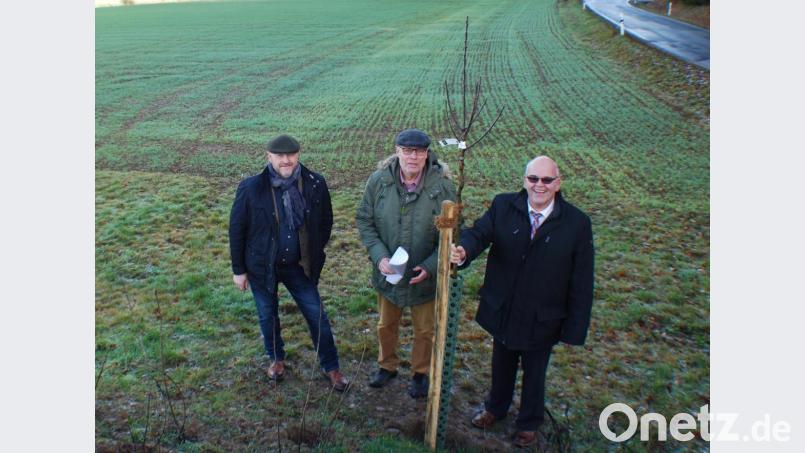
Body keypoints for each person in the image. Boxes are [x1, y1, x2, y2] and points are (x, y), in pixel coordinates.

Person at [449, 156, 594, 448]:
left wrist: (574, 329)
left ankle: (529, 423)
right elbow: (479, 233)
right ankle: (495, 408)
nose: (539, 185)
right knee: (501, 361)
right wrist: (463, 251)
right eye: (533, 179)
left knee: (535, 370)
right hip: (504, 307)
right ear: (524, 180)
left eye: (547, 180)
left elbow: (582, 281)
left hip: (544, 316)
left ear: (558, 183)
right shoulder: (504, 206)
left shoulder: (577, 223)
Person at [229, 134, 348, 392]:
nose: (286, 160)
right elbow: (236, 229)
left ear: (298, 155)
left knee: (317, 316)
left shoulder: (315, 183)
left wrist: (313, 250)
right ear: (269, 156)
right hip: (262, 266)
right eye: (280, 156)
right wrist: (239, 270)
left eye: (291, 155)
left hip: (299, 266)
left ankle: (331, 366)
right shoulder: (251, 188)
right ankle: (276, 359)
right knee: (267, 316)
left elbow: (325, 221)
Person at [356, 128, 456, 398]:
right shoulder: (379, 182)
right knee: (386, 325)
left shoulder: (443, 188)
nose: (413, 157)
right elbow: (364, 220)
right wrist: (379, 257)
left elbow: (453, 232)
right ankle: (386, 366)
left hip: (423, 275)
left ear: (427, 154)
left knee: (425, 329)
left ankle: (420, 373)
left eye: (419, 151)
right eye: (408, 151)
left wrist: (432, 265)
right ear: (397, 151)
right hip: (389, 273)